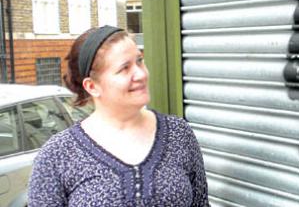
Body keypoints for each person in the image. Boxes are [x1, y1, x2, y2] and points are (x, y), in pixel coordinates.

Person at [28, 25, 208, 206]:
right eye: (124, 68)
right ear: (92, 86)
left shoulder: (179, 134)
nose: (140, 74)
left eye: (139, 61)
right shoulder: (56, 156)